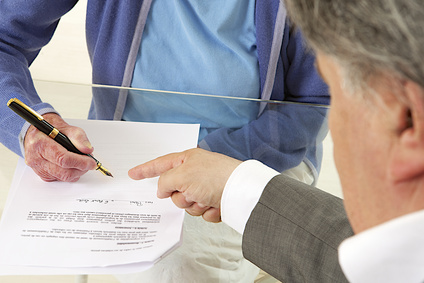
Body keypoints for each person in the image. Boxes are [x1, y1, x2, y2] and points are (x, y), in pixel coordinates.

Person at [0, 0, 331, 282]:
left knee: (175, 270)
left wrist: (215, 157)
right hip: (125, 152)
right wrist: (28, 128)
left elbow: (313, 103)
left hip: (260, 153)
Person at [128, 0, 424, 282]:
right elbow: (357, 261)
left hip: (254, 158)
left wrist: (229, 172)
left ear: (406, 118)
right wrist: (233, 184)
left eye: (338, 95)